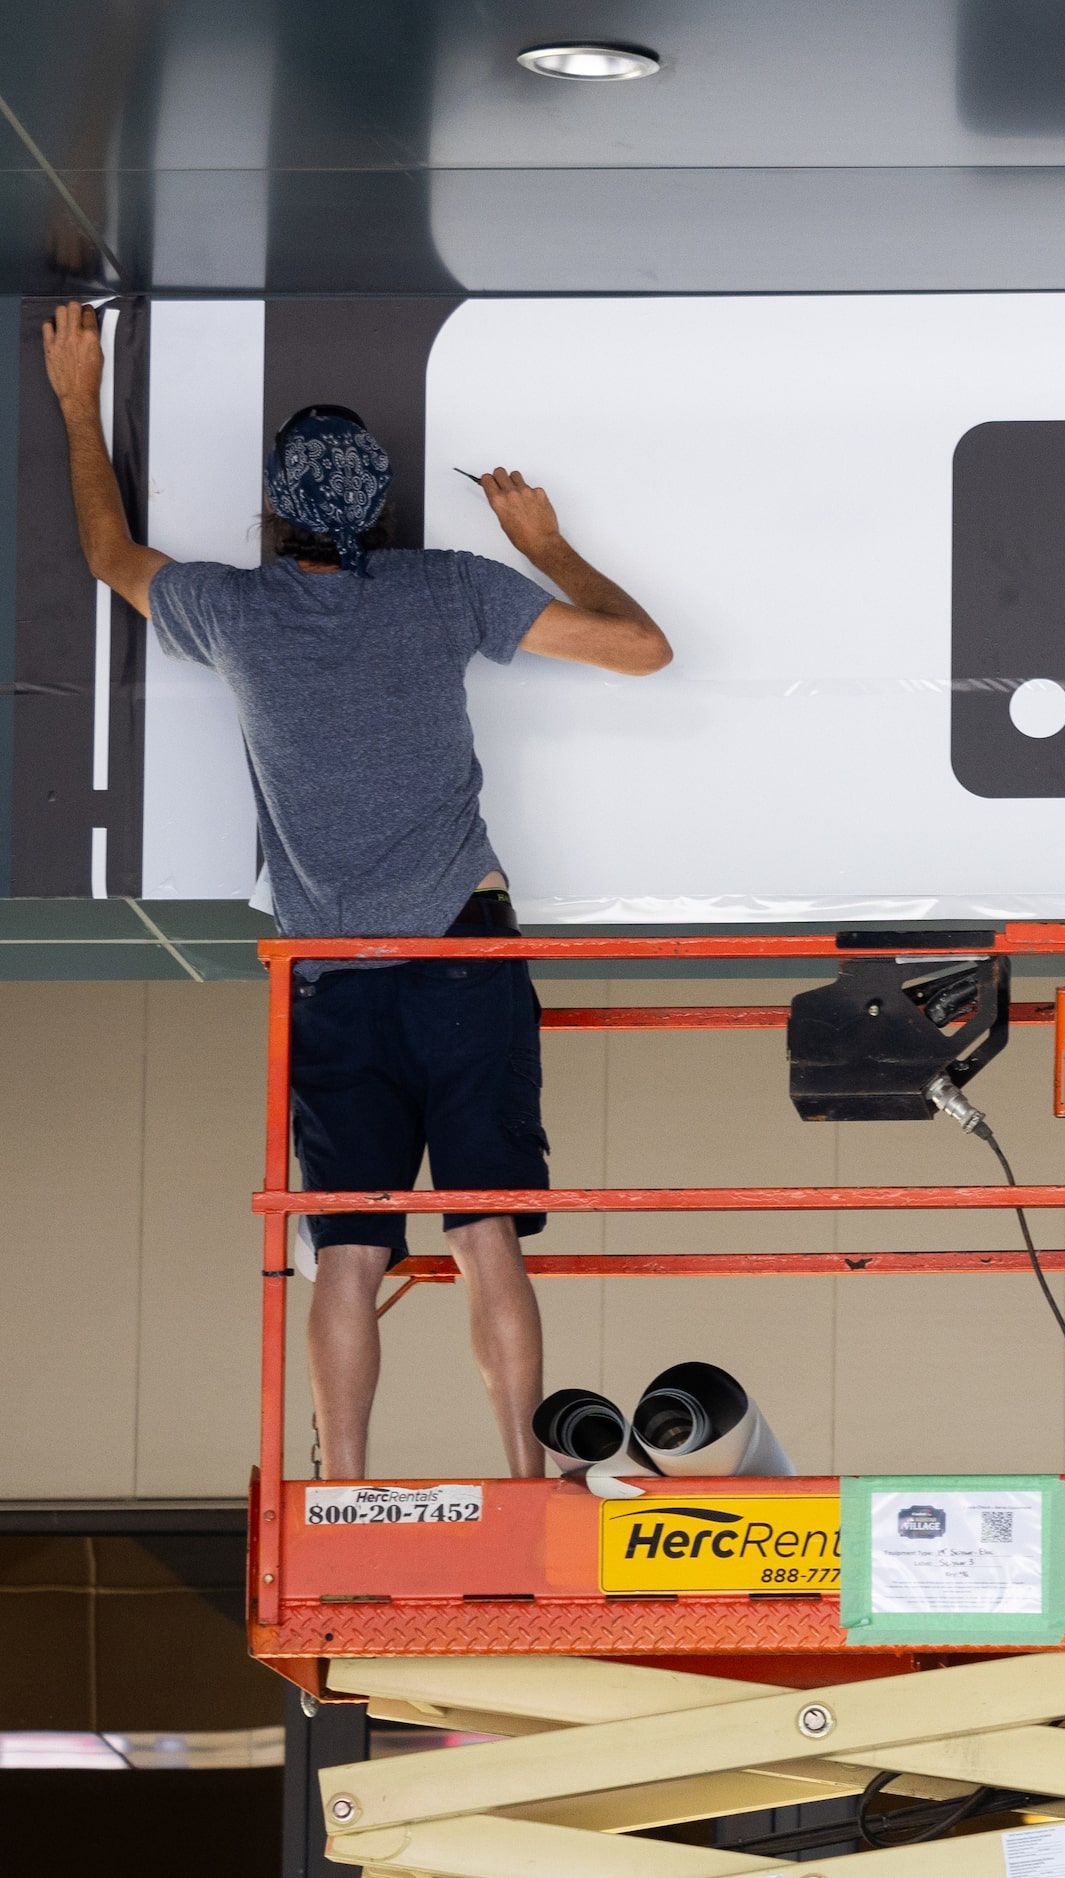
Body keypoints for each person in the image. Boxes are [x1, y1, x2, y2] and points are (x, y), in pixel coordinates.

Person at [40, 301, 672, 1481]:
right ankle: (522, 1489)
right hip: (464, 959)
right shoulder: (444, 590)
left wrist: (79, 404)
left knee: (345, 1257)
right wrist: (542, 539)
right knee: (487, 1238)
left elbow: (108, 558)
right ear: (379, 509)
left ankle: (345, 1489)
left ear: (276, 514)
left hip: (331, 980)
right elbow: (643, 649)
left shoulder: (232, 612)